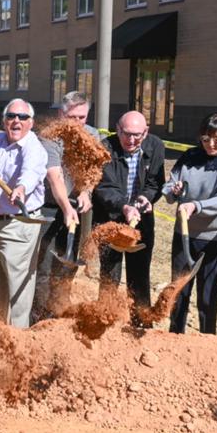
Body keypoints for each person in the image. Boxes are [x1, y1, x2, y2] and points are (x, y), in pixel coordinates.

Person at [164, 111, 217, 335]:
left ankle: (208, 338)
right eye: (206, 139)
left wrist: (196, 206)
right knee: (179, 286)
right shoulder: (189, 156)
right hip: (186, 232)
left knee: (208, 291)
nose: (211, 144)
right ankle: (175, 334)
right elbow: (169, 187)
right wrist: (173, 190)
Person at [0, 99, 47, 329]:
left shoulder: (33, 147)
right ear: (4, 120)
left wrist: (22, 188)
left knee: (19, 288)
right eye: (11, 116)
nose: (17, 121)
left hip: (18, 226)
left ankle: (18, 339)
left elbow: (32, 172)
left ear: (31, 123)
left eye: (22, 117)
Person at [34, 91, 101, 322]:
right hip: (50, 207)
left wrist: (86, 191)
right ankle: (39, 316)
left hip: (77, 207)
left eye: (82, 117)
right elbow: (55, 177)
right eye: (72, 117)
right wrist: (65, 207)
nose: (78, 123)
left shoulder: (93, 135)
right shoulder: (49, 136)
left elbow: (94, 170)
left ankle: (59, 311)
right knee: (44, 265)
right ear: (62, 113)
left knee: (69, 262)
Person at [93, 111, 165, 323]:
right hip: (110, 219)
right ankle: (104, 321)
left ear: (146, 132)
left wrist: (146, 198)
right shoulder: (105, 148)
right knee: (109, 274)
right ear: (117, 128)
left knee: (140, 275)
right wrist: (124, 207)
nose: (131, 140)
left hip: (141, 222)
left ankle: (141, 322)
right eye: (126, 134)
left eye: (137, 135)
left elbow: (155, 183)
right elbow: (104, 187)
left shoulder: (155, 146)